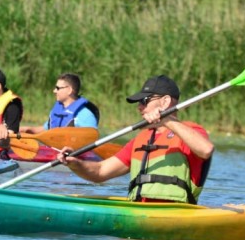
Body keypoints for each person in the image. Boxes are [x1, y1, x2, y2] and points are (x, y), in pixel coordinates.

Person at [56, 75, 214, 204]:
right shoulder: (141, 139)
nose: (139, 107)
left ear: (165, 102)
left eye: (144, 101)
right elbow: (99, 172)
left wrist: (167, 120)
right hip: (139, 209)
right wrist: (75, 163)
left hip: (176, 214)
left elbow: (206, 150)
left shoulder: (190, 131)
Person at [20, 73, 99, 134]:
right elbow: (46, 129)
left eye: (58, 88)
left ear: (69, 90)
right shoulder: (58, 110)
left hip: (72, 154)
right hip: (54, 152)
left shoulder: (86, 115)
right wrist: (28, 129)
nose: (54, 91)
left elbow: (90, 141)